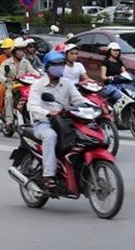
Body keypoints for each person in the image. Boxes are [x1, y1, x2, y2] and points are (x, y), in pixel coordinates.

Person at [26, 51, 87, 190]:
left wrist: (94, 106)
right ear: (47, 67)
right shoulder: (38, 85)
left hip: (65, 121)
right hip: (44, 123)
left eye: (61, 64)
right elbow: (32, 106)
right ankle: (49, 175)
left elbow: (79, 100)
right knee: (50, 136)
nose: (59, 67)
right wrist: (47, 113)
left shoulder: (67, 83)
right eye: (55, 65)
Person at [0, 38, 35, 130]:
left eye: (23, 51)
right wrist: (6, 80)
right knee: (9, 96)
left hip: (23, 87)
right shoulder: (6, 63)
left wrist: (37, 75)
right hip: (11, 86)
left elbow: (33, 72)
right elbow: (0, 74)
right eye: (19, 51)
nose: (22, 53)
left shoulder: (25, 62)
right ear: (14, 52)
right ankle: (9, 121)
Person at [0, 38, 15, 115]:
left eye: (8, 48)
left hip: (16, 80)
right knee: (2, 89)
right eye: (5, 49)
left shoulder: (18, 58)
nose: (6, 50)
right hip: (4, 80)